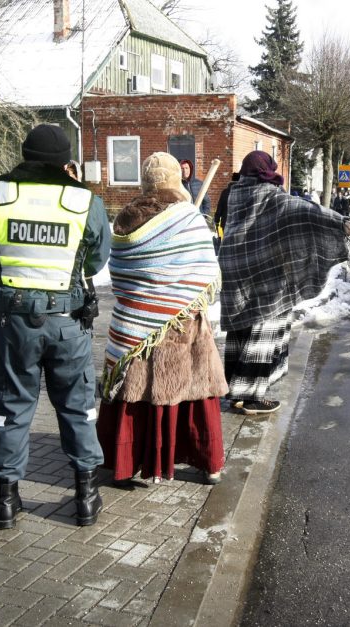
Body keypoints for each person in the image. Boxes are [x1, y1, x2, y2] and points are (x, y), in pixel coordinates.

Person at [0, 124, 111, 529]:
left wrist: (9, 264)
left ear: (24, 154)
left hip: (14, 322)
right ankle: (86, 498)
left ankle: (6, 501)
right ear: (66, 161)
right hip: (68, 322)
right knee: (77, 405)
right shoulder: (83, 201)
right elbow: (95, 261)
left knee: (11, 406)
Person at [96, 153, 226, 484]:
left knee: (132, 393)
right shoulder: (188, 217)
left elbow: (119, 272)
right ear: (176, 179)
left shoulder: (126, 216)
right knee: (195, 392)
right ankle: (208, 464)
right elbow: (208, 273)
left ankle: (125, 463)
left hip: (135, 322)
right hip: (183, 321)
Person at [219, 150, 350, 415]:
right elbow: (308, 210)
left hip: (238, 272)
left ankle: (237, 391)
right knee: (262, 335)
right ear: (268, 170)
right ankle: (251, 399)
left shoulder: (235, 194)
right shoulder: (273, 197)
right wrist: (340, 221)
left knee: (241, 332)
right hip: (267, 281)